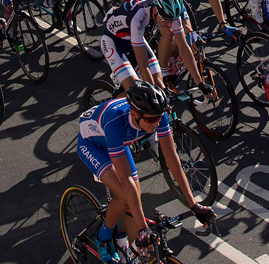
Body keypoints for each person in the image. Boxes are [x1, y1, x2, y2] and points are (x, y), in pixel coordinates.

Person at [77, 82, 213, 263]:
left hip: (119, 143)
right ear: (135, 113)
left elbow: (173, 161)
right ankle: (102, 238)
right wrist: (143, 229)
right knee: (125, 197)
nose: (156, 123)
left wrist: (194, 205)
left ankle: (124, 244)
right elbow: (126, 181)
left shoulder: (157, 116)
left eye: (158, 118)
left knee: (135, 203)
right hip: (93, 144)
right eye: (150, 120)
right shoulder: (115, 121)